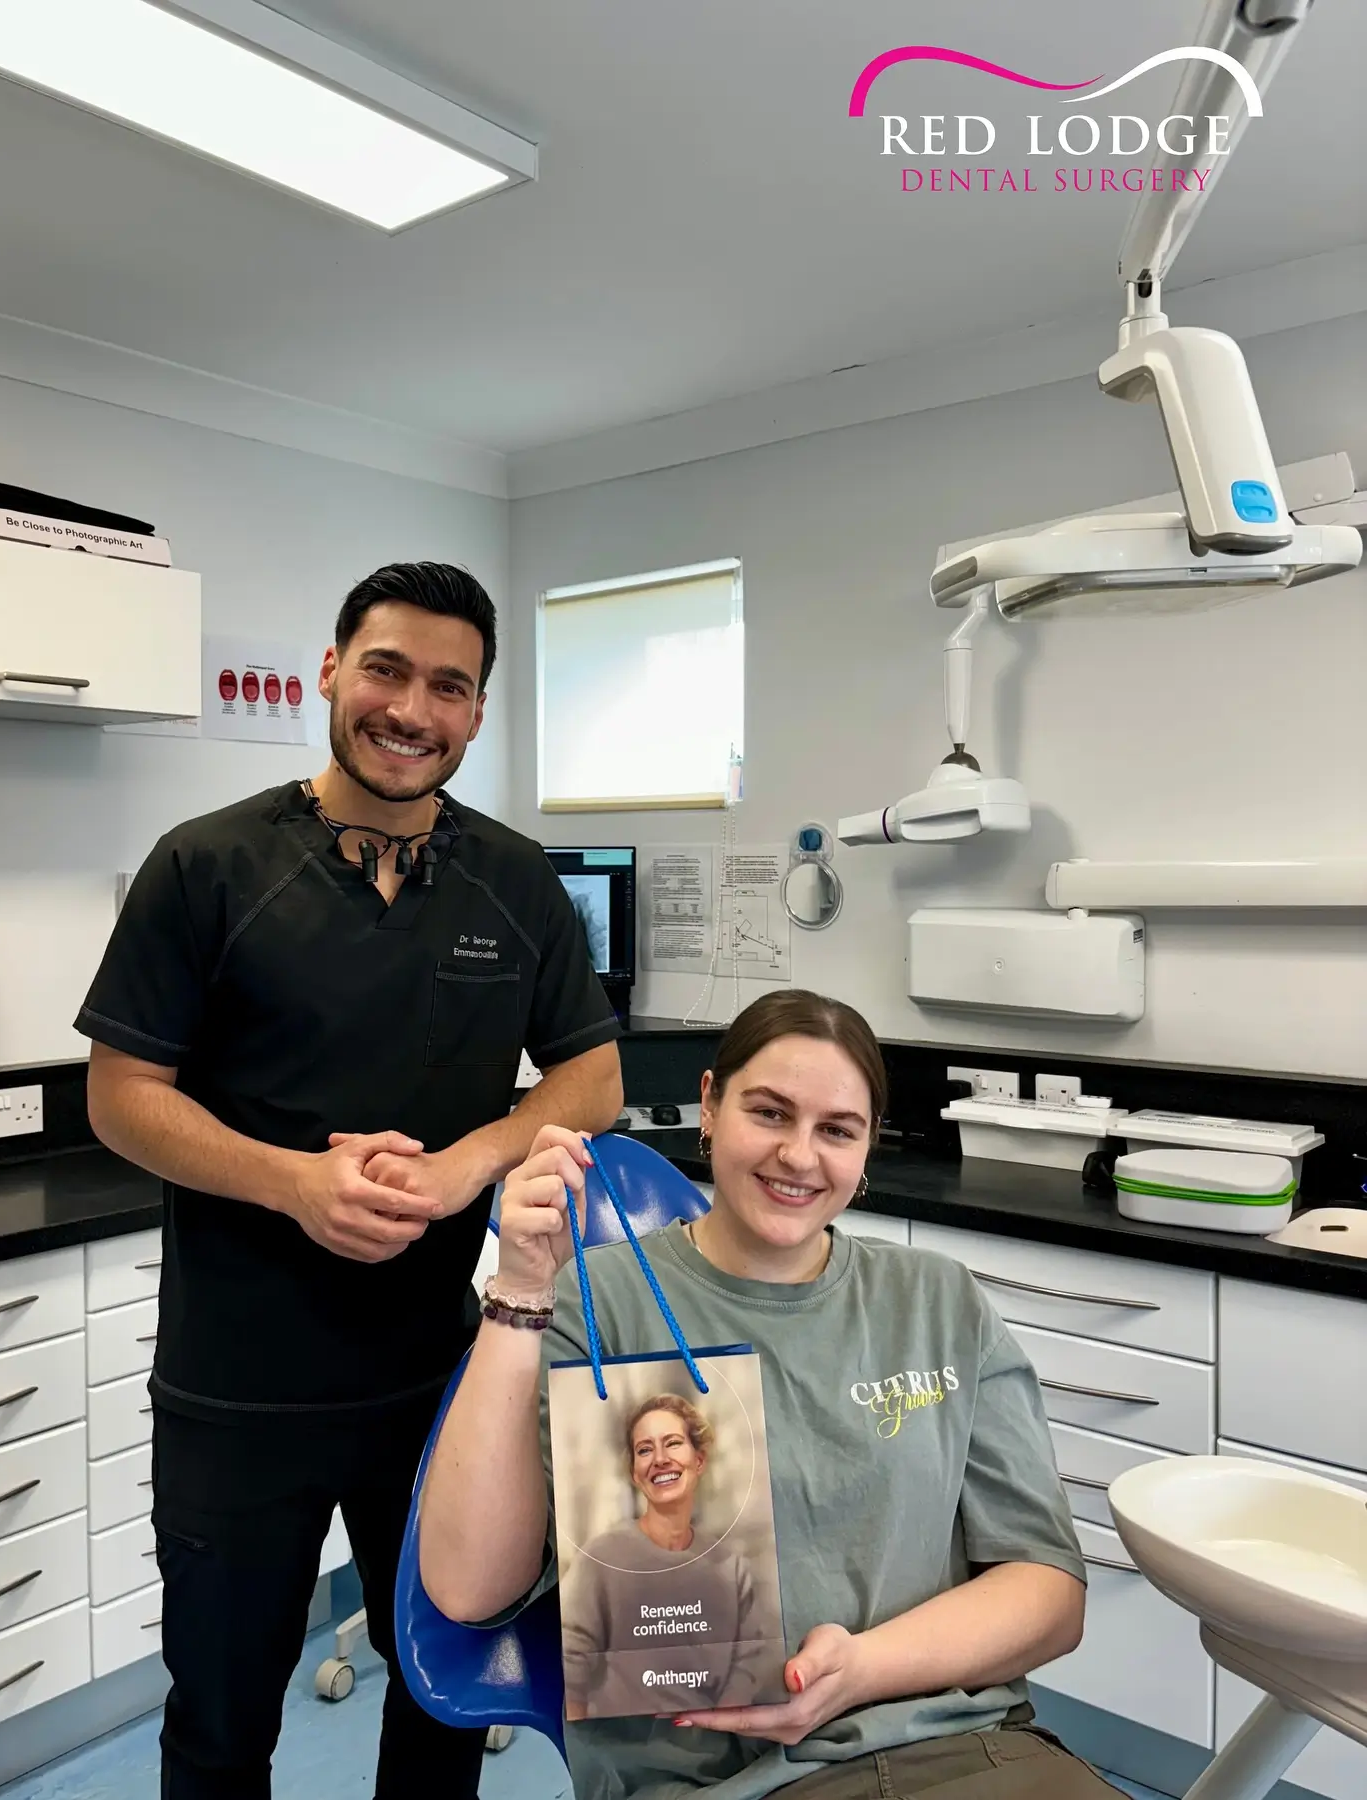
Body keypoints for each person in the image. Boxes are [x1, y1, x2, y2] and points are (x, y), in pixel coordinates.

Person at [77, 562, 623, 1800]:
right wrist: (291, 1185)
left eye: (449, 685)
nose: (412, 709)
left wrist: (465, 1166)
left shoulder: (515, 879)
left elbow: (586, 1078)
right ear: (332, 672)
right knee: (220, 1722)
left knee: (440, 1706)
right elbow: (118, 1097)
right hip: (237, 1390)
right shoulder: (208, 866)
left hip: (445, 1390)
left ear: (478, 712)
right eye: (386, 669)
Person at [420, 988, 1126, 1800]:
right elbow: (470, 1590)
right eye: (770, 1112)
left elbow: (1046, 1594)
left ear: (867, 1151)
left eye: (837, 1131)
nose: (799, 1155)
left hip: (962, 1750)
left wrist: (861, 1670)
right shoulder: (598, 1301)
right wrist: (516, 1295)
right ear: (710, 1105)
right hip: (721, 1779)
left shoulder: (939, 1303)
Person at [562, 1392, 783, 1720]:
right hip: (626, 1751)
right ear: (636, 1473)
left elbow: (749, 1661)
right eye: (645, 1450)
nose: (660, 1459)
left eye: (673, 1443)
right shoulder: (600, 1559)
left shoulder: (731, 1566)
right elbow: (572, 1670)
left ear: (699, 1460)